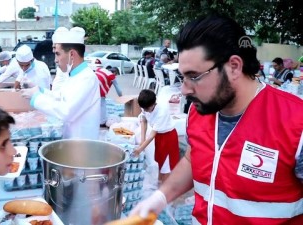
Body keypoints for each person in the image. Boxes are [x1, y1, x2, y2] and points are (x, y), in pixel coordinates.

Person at [130, 14, 303, 224]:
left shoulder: (296, 123)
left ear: (234, 66)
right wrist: (160, 197)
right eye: (183, 76)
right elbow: (194, 158)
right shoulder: (199, 111)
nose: (184, 90)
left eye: (193, 76)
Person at [21, 27, 101, 140]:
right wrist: (40, 90)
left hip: (83, 145)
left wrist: (36, 98)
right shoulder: (73, 75)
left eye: (57, 54)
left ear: (72, 54)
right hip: (73, 141)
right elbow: (61, 97)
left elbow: (66, 111)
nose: (55, 60)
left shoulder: (87, 78)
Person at [133, 89, 179, 183]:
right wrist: (142, 140)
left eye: (147, 109)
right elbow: (144, 120)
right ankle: (159, 182)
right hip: (159, 136)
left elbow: (152, 135)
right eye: (144, 109)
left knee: (167, 166)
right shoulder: (145, 105)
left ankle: (164, 188)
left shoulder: (162, 111)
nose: (145, 111)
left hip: (168, 137)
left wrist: (140, 149)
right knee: (160, 160)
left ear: (154, 104)